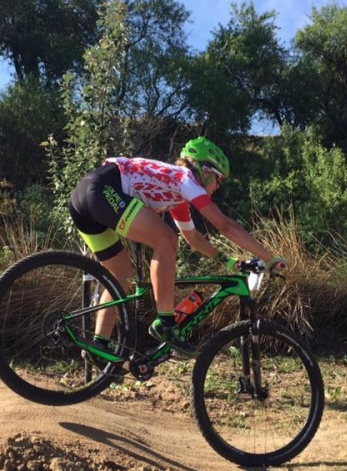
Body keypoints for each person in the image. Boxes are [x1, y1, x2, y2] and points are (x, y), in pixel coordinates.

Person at [68, 136, 286, 357]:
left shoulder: (176, 192)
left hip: (83, 198)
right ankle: (166, 323)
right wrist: (269, 257)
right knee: (166, 239)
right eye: (219, 179)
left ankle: (99, 346)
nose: (218, 187)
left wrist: (229, 262)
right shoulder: (185, 178)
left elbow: (192, 238)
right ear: (205, 171)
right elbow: (225, 226)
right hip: (101, 190)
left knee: (122, 274)